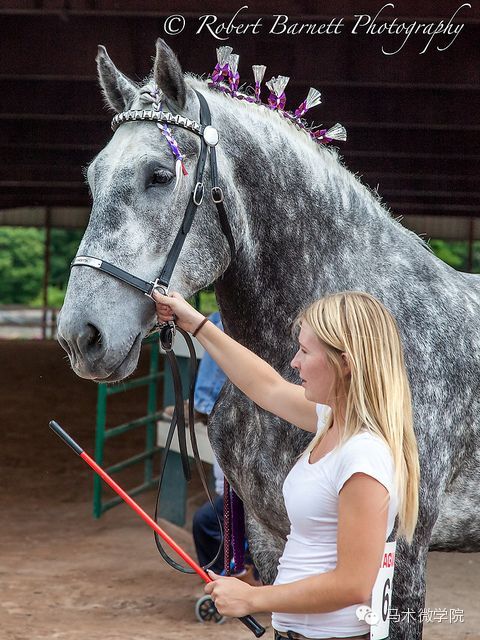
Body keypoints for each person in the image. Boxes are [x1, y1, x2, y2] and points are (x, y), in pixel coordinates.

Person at [153, 289, 420, 640]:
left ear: (345, 363)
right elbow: (267, 387)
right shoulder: (332, 420)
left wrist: (253, 598)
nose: (294, 362)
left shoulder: (363, 456)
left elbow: (354, 584)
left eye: (305, 351)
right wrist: (198, 324)